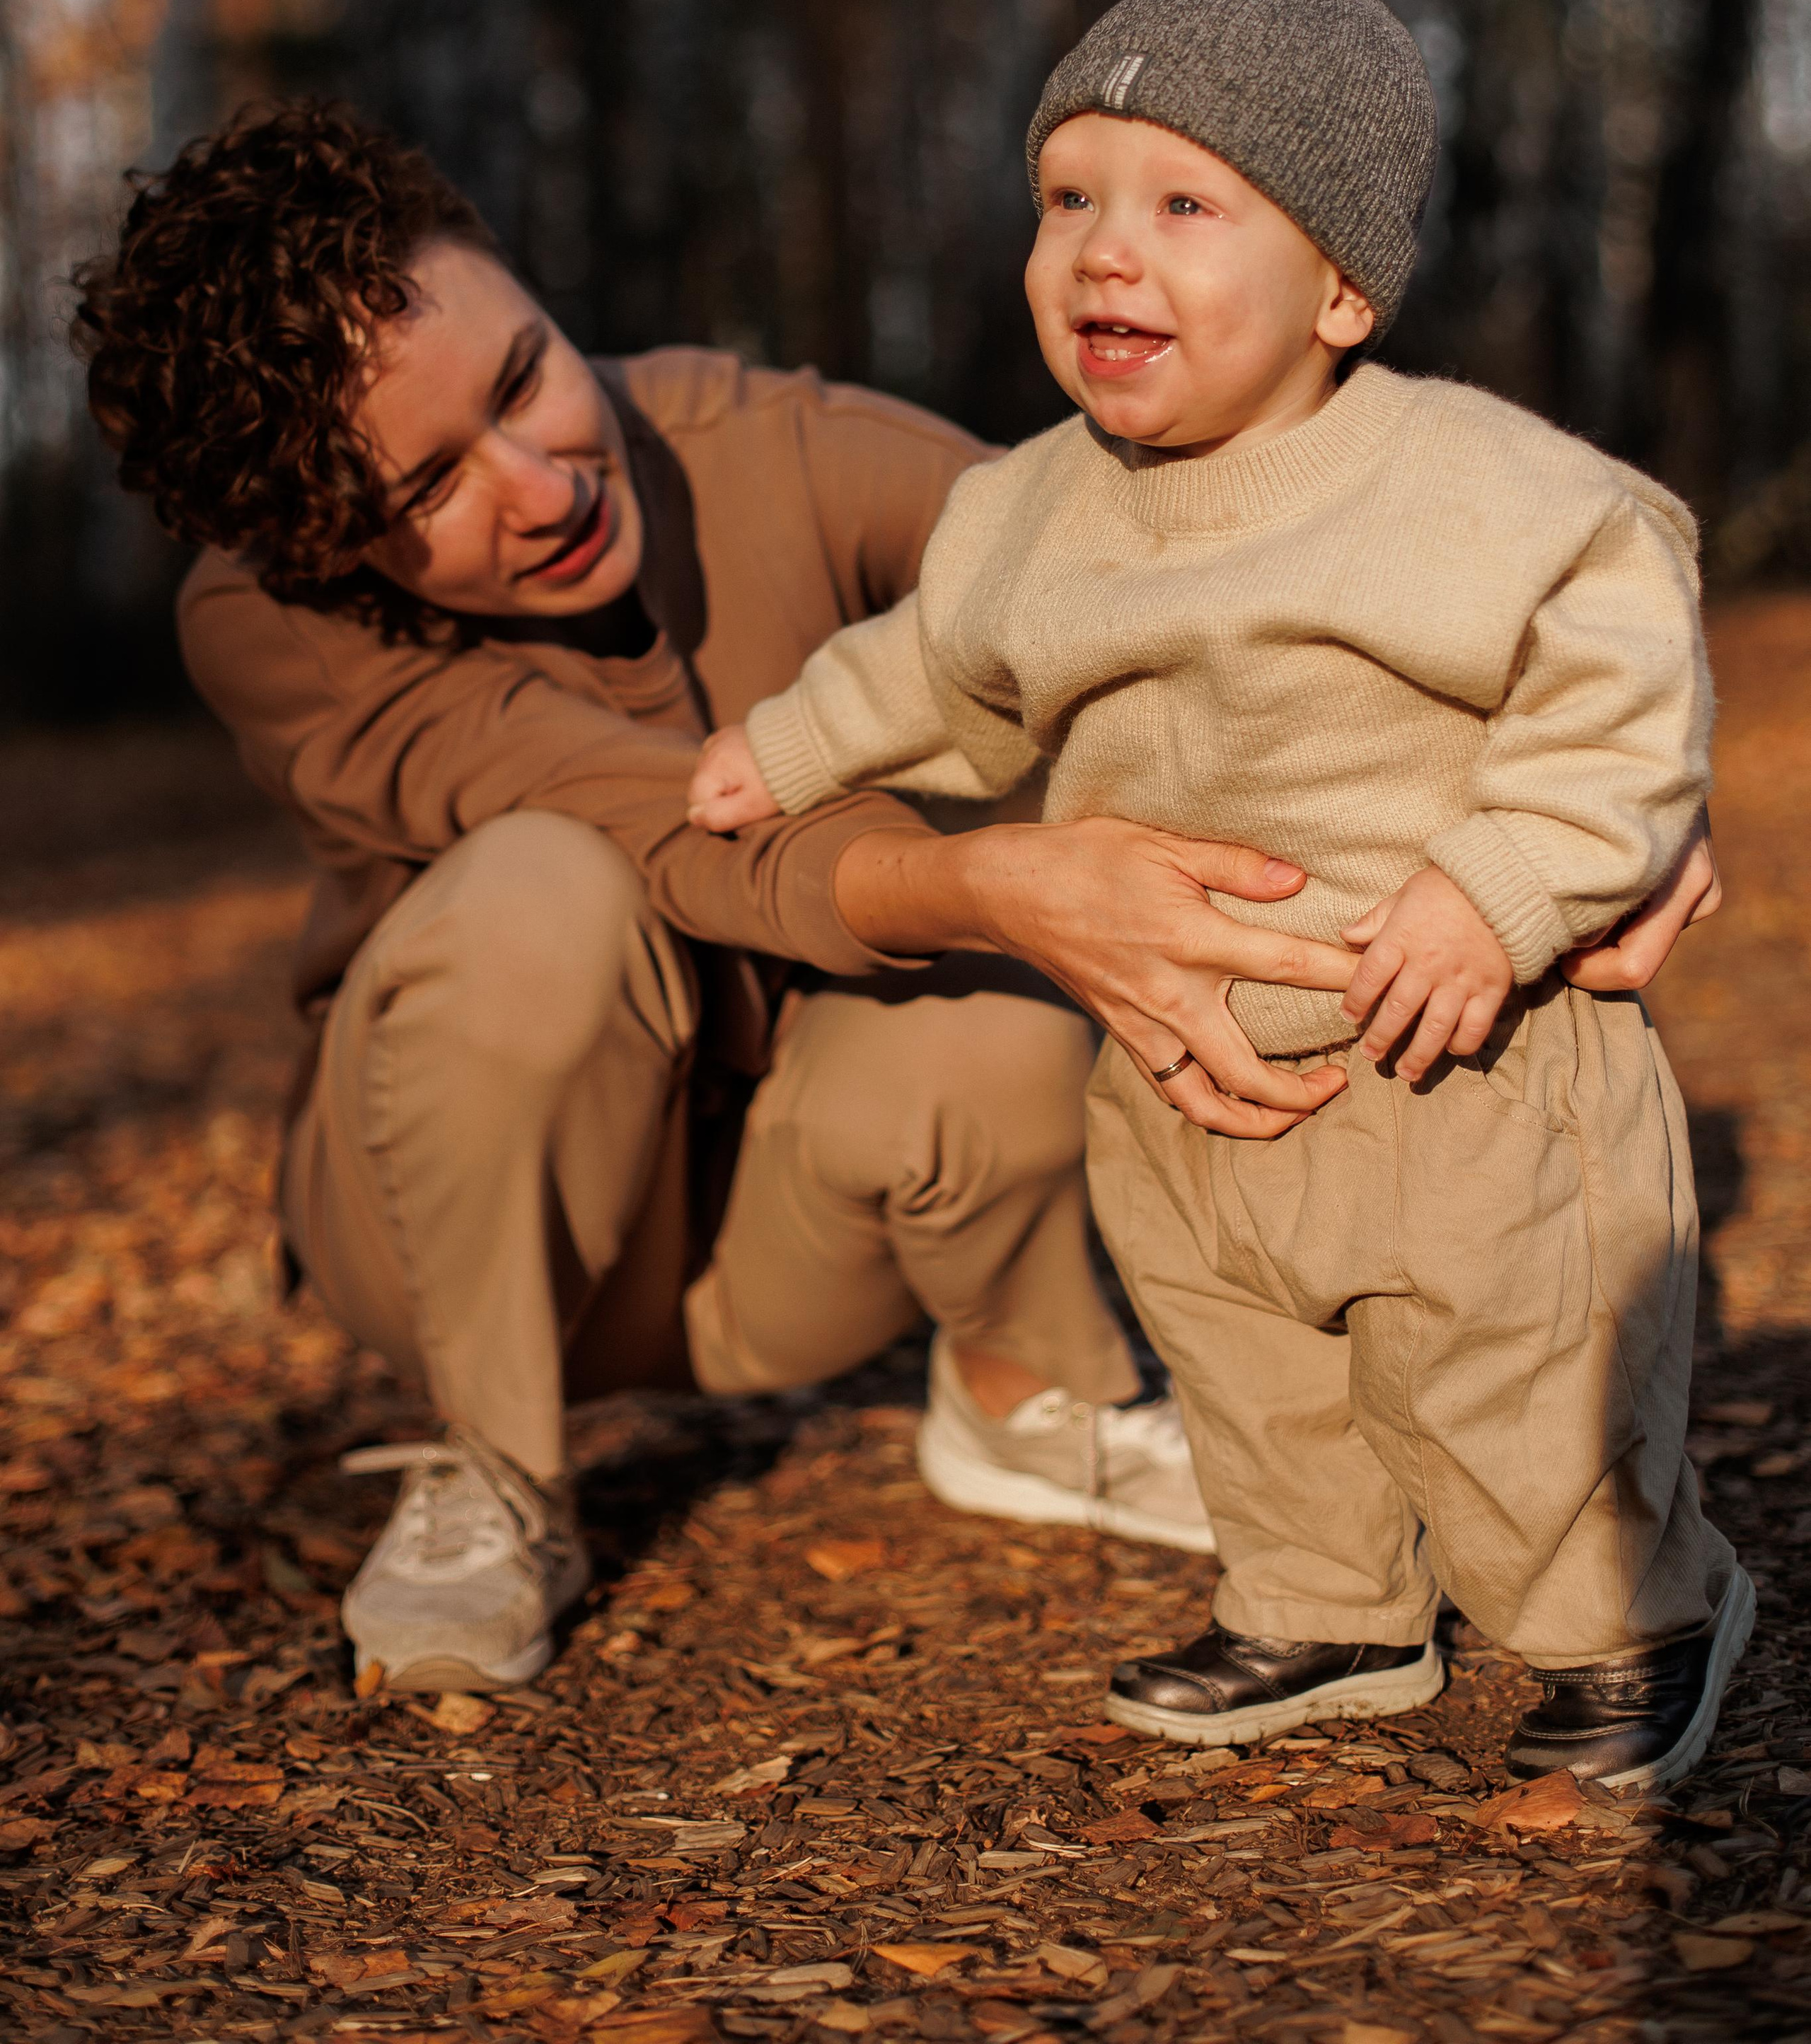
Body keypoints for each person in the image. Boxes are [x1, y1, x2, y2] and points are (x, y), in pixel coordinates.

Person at [69, 101, 1405, 1695]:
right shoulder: (271, 624)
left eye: (519, 378)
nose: (540, 481)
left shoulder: (751, 438)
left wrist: (1544, 788)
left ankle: (1023, 1392)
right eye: (426, 484)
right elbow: (671, 825)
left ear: (517, 275)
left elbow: (1122, 563)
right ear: (326, 544)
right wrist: (997, 877)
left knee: (993, 982)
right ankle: (495, 1472)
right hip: (461, 1236)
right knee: (547, 888)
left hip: (772, 1236)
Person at [688, 0, 1746, 1795]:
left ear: (1339, 286)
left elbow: (1624, 652)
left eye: (1185, 202)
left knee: (1511, 1370)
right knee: (1248, 1358)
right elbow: (939, 675)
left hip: (1460, 1051)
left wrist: (1505, 881)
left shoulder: (1464, 481)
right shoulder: (1022, 510)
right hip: (1186, 1063)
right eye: (1067, 199)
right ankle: (1329, 1604)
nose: (1107, 248)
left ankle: (1633, 1617)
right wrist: (785, 748)